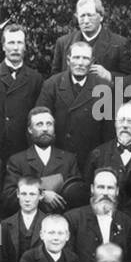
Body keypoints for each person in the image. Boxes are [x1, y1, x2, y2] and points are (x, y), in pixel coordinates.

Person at [37, 39, 113, 169]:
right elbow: (39, 121)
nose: (80, 63)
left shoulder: (103, 88)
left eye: (85, 58)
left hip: (91, 158)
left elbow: (109, 131)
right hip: (58, 157)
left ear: (92, 62)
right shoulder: (52, 85)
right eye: (76, 57)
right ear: (68, 60)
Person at [1, 107, 89, 216]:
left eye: (49, 124)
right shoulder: (17, 161)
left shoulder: (69, 159)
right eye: (39, 124)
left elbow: (78, 194)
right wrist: (41, 195)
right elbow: (8, 197)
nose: (45, 129)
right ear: (30, 129)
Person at [0, 24, 45, 162]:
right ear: (3, 46)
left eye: (19, 43)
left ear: (25, 47)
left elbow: (38, 118)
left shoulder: (35, 78)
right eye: (11, 42)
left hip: (24, 150)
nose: (15, 48)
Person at [65, 168, 131, 262]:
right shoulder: (73, 219)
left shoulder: (128, 223)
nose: (105, 193)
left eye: (110, 188)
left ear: (117, 191)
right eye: (100, 187)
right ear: (92, 189)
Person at [50, 0, 131, 79]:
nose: (86, 21)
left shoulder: (119, 44)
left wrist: (109, 76)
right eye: (82, 16)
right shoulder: (63, 43)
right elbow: (55, 79)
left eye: (90, 15)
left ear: (101, 17)